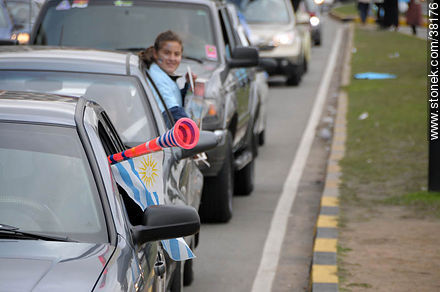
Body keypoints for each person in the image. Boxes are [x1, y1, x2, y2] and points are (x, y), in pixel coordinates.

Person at [139, 30, 196, 128]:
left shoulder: (160, 73)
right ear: (155, 53)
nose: (172, 58)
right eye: (167, 53)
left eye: (176, 54)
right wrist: (190, 130)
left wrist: (187, 88)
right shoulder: (157, 76)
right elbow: (173, 110)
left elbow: (172, 99)